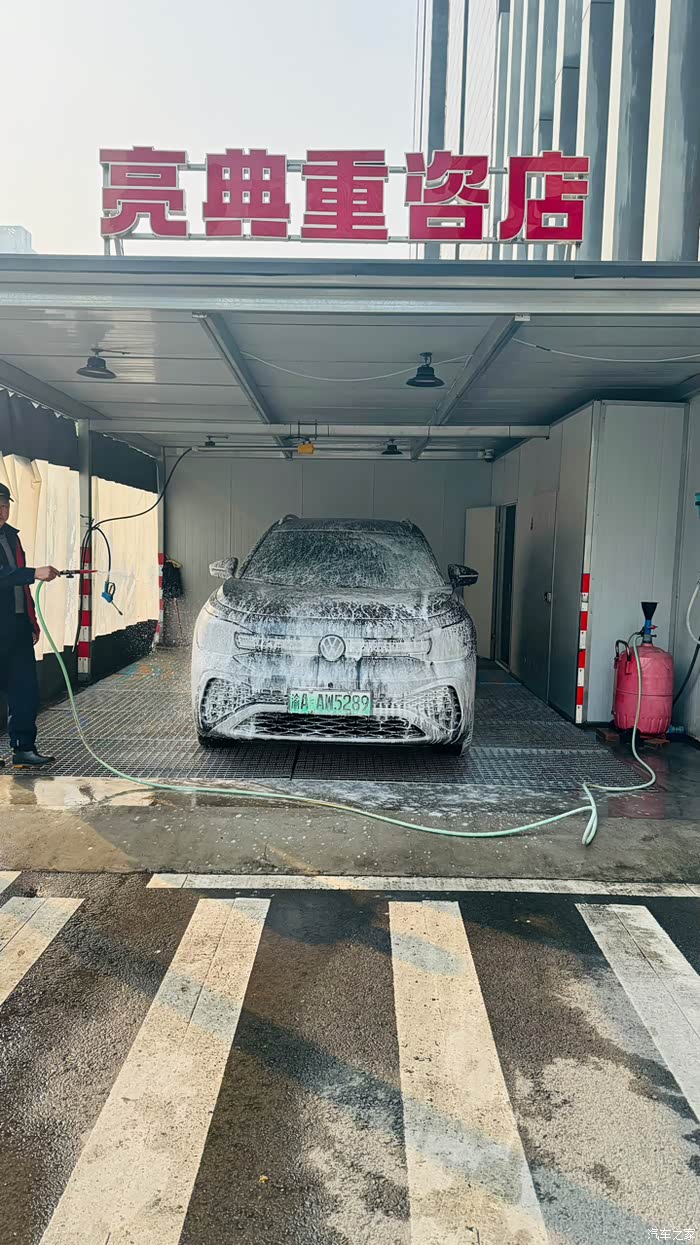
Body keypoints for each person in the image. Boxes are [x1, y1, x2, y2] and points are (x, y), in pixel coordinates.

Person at [0, 483, 59, 767]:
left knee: (24, 687)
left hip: (18, 625)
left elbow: (20, 586)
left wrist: (31, 621)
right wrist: (34, 572)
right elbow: (5, 575)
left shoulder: (11, 536)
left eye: (4, 506)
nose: (1, 511)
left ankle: (23, 747)